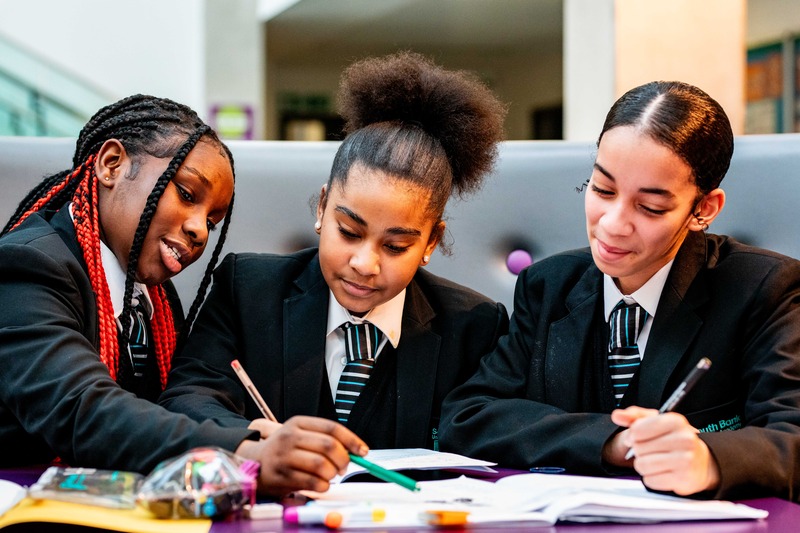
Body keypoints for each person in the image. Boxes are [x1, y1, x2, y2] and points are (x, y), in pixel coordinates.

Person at [440, 81, 800, 502]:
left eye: (650, 207)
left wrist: (708, 458)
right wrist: (612, 441)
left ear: (703, 209)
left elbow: (791, 436)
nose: (612, 223)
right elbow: (470, 415)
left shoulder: (764, 290)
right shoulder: (548, 287)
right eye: (602, 189)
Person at [0, 95, 367, 497]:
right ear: (111, 165)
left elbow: (160, 413)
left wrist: (244, 432)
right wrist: (242, 452)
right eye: (188, 194)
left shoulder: (153, 301)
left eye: (213, 220)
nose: (200, 231)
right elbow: (82, 409)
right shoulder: (28, 266)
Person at [160, 51, 509, 457]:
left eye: (395, 246)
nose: (364, 264)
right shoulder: (246, 289)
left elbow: (489, 438)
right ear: (323, 208)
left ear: (431, 242)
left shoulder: (474, 327)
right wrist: (256, 441)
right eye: (349, 231)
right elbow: (186, 399)